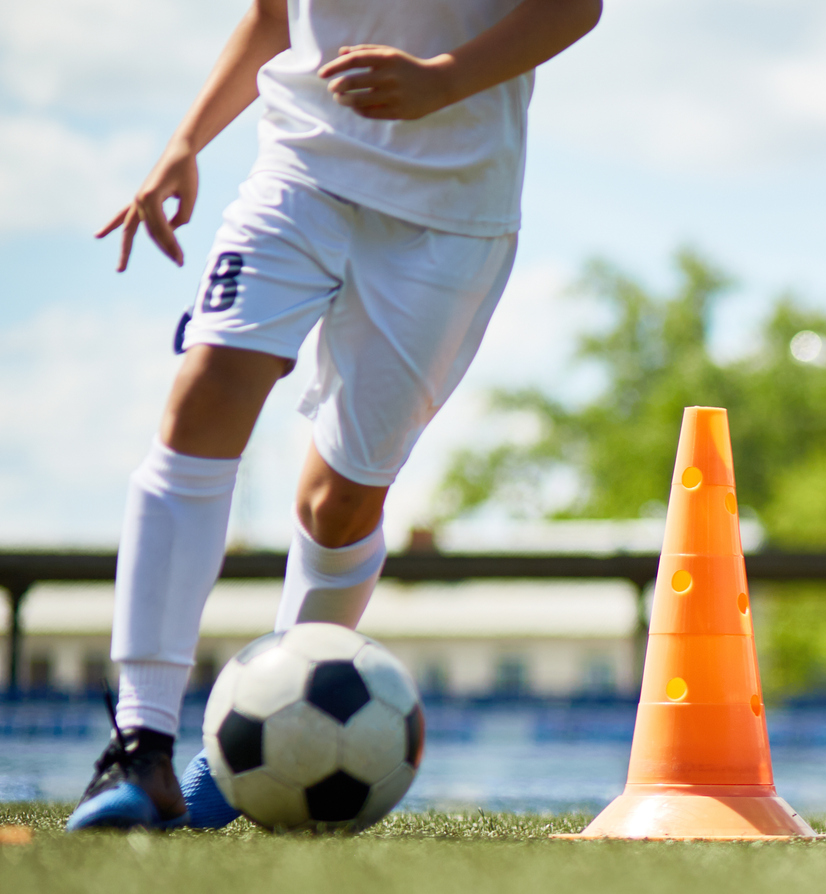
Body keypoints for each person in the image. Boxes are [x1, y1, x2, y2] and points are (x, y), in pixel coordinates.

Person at [68, 0, 601, 831]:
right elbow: (276, 13)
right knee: (204, 394)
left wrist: (442, 80)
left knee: (338, 503)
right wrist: (184, 141)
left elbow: (574, 7)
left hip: (451, 216)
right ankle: (141, 747)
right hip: (299, 173)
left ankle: (250, 755)